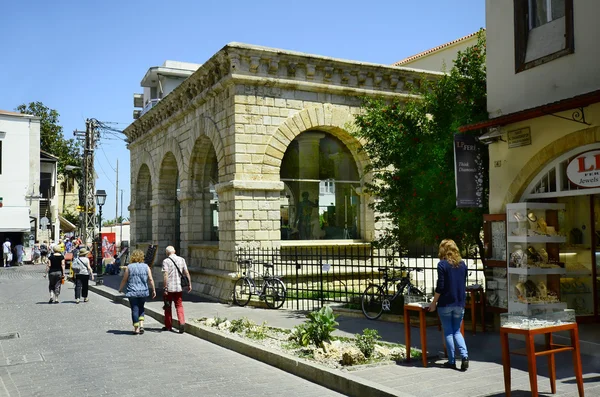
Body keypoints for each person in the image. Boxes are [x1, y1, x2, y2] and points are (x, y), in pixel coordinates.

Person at [428, 239, 469, 371]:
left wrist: (434, 302)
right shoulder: (463, 265)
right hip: (459, 303)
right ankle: (465, 356)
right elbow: (463, 283)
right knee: (457, 331)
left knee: (449, 332)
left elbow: (441, 286)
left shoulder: (442, 265)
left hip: (445, 303)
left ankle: (451, 361)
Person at [118, 249, 156, 335]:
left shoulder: (129, 267)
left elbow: (124, 279)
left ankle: (136, 328)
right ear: (142, 257)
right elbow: (150, 279)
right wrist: (153, 289)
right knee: (141, 307)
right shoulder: (146, 266)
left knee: (135, 309)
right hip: (143, 291)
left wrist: (120, 289)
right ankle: (142, 325)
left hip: (133, 292)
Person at [162, 246, 191, 333]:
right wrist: (189, 284)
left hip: (169, 288)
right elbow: (186, 272)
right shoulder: (182, 259)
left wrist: (165, 288)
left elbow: (165, 275)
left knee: (168, 306)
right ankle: (182, 322)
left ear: (167, 253)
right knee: (179, 305)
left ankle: (168, 326)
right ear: (174, 251)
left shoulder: (166, 261)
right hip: (179, 287)